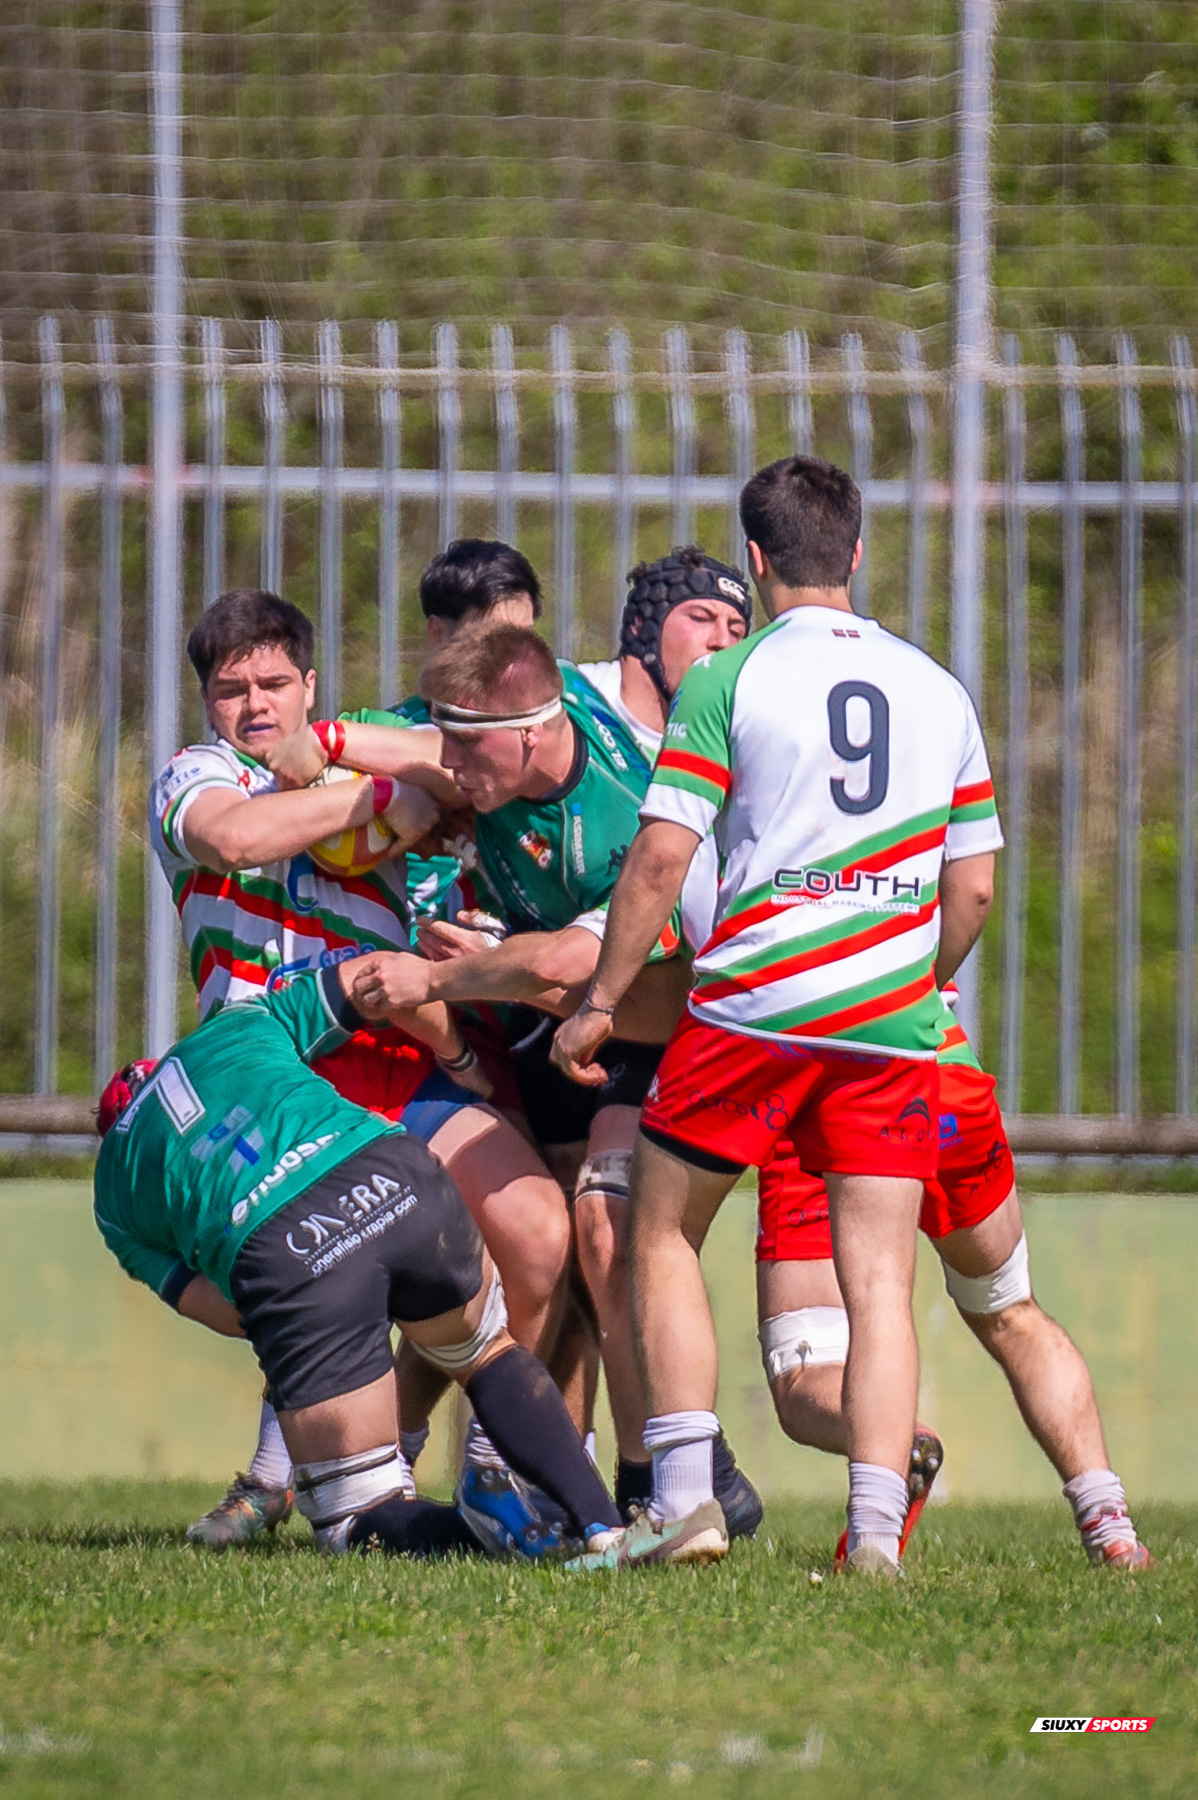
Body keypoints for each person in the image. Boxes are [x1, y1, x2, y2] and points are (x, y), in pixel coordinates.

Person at [553, 455, 1005, 1575]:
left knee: (659, 1231)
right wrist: (909, 975)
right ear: (855, 553)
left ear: (754, 562)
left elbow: (662, 854)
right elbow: (975, 886)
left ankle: (684, 1500)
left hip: (750, 1017)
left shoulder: (729, 679)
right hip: (886, 1036)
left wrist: (601, 999)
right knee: (878, 1288)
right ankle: (871, 1540)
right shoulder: (937, 688)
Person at [316, 565, 763, 1533]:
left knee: (605, 1237)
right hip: (547, 1028)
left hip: (645, 1026)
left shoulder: (620, 815)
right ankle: (550, 1494)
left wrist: (435, 978)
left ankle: (672, 1484)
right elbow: (427, 742)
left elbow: (580, 959)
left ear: (524, 737)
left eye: (471, 760)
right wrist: (329, 740)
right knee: (542, 1253)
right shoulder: (523, 724)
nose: (457, 780)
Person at [150, 588, 571, 1546]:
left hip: (388, 1053)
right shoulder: (191, 776)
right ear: (207, 704)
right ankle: (281, 1477)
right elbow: (238, 838)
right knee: (335, 1266)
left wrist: (364, 765)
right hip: (269, 1082)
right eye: (230, 689)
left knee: (538, 1236)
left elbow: (460, 776)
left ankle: (486, 1474)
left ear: (309, 686)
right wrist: (383, 802)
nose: (254, 705)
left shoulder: (358, 741)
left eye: (273, 683)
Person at [93, 965, 622, 1562]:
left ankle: (474, 1535)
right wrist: (458, 1053)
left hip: (288, 1247)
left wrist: (328, 1312)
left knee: (355, 1517)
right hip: (392, 1170)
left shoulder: (113, 1194)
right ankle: (603, 1527)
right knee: (485, 1352)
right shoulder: (234, 1027)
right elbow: (368, 978)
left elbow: (238, 1314)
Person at [753, 989, 1153, 1570]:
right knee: (1012, 1312)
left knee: (805, 1373)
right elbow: (976, 892)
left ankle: (893, 1470)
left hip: (828, 1085)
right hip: (944, 1073)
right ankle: (1111, 1527)